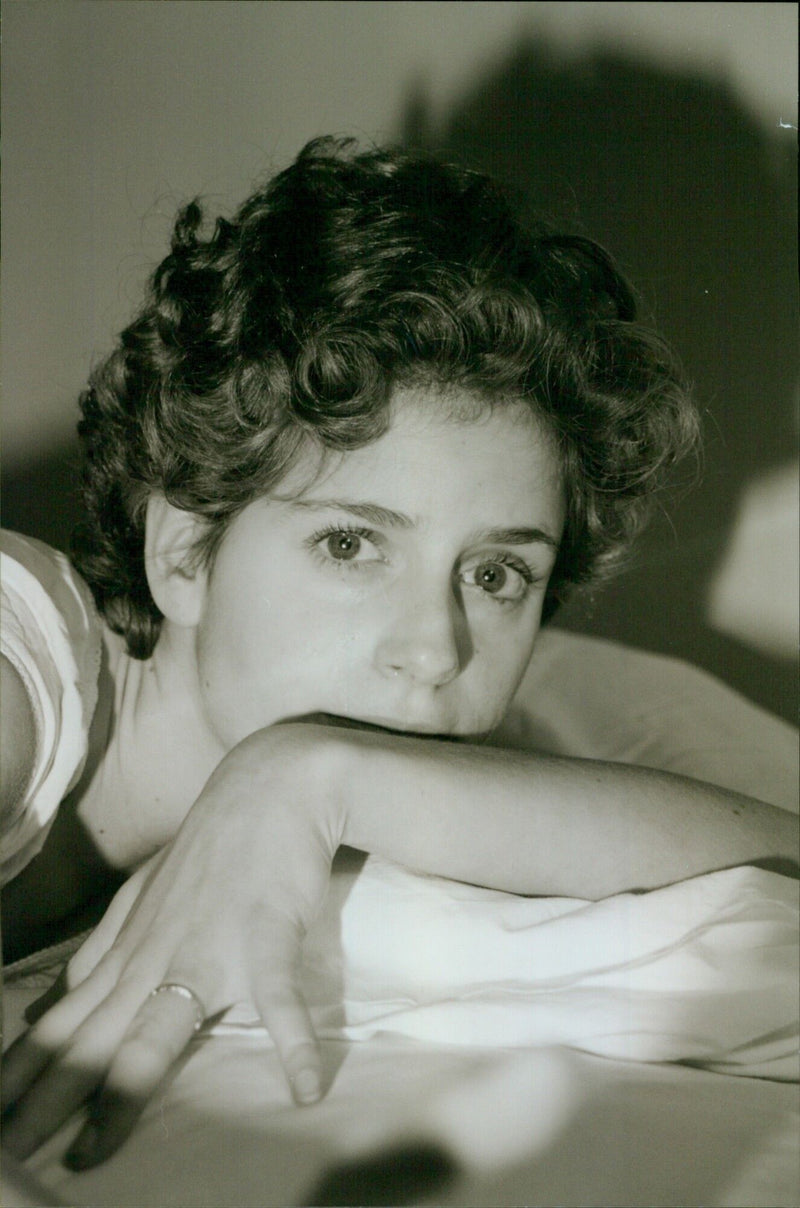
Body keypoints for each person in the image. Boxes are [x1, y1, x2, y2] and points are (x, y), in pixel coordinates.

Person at [1, 136, 796, 1171]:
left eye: (495, 574)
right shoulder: (21, 683)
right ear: (186, 549)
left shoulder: (325, 771)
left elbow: (776, 850)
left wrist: (311, 774)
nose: (431, 649)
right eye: (349, 543)